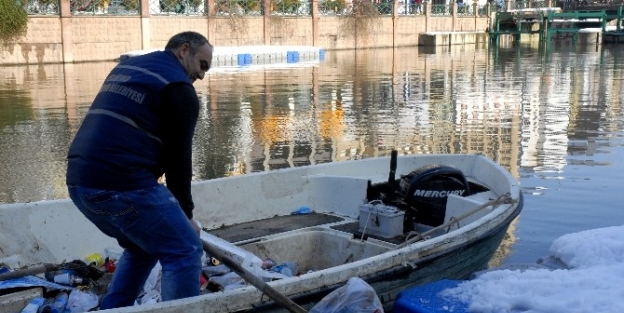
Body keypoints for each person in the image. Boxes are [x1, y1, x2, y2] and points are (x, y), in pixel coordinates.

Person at [65, 31, 213, 309]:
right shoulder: (179, 89)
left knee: (143, 246)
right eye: (202, 65)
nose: (202, 75)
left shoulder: (127, 68)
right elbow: (178, 161)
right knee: (184, 251)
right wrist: (186, 217)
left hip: (80, 186)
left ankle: (114, 308)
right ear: (183, 50)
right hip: (120, 186)